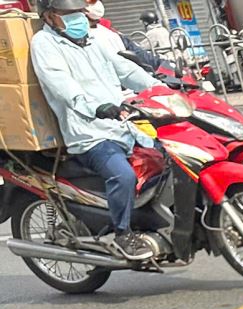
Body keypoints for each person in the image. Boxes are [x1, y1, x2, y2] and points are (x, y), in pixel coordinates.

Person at [30, 0, 159, 261]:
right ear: (50, 17)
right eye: (69, 13)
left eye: (79, 12)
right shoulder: (44, 44)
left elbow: (126, 70)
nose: (78, 17)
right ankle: (123, 235)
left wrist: (160, 88)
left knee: (169, 157)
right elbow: (63, 86)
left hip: (123, 125)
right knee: (123, 176)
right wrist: (97, 107)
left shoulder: (91, 40)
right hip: (89, 134)